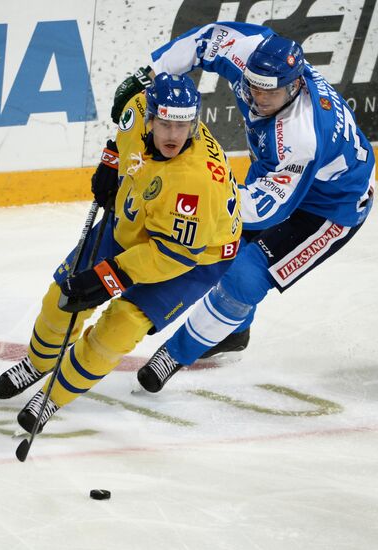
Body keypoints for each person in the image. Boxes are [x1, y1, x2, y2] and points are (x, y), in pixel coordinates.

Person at [109, 22, 375, 393]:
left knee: (245, 276)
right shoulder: (252, 52)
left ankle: (176, 353)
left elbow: (266, 211)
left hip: (330, 208)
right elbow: (204, 41)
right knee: (221, 251)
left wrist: (199, 199)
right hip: (276, 175)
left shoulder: (302, 135)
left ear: (296, 85)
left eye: (270, 92)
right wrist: (149, 75)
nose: (257, 98)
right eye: (252, 85)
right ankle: (233, 331)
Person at [0, 72, 242, 432]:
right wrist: (111, 163)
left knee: (117, 329)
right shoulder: (136, 109)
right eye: (166, 124)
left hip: (192, 259)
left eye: (184, 125)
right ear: (150, 116)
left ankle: (53, 396)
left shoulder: (195, 182)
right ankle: (38, 362)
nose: (175, 135)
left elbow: (173, 254)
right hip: (134, 221)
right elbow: (125, 132)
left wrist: (110, 277)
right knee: (60, 298)